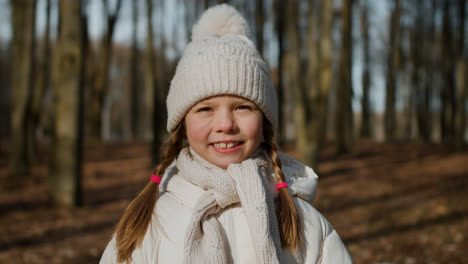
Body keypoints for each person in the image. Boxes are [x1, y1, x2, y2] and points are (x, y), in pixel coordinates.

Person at [100, 4, 352, 264]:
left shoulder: (302, 221)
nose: (226, 124)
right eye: (205, 109)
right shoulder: (150, 223)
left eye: (243, 107)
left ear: (264, 120)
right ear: (182, 124)